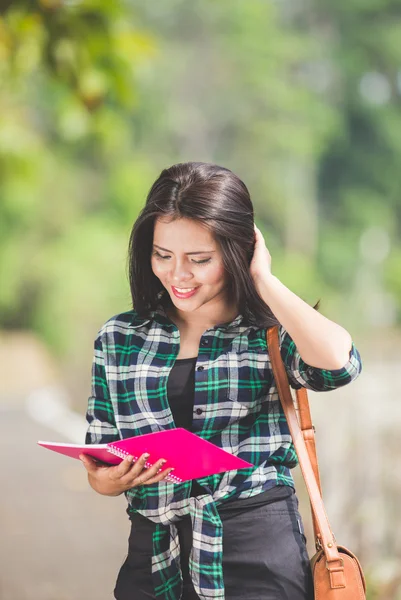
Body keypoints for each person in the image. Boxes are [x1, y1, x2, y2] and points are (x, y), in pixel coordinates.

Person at [80, 162, 362, 600]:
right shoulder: (120, 337)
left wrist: (264, 280)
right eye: (162, 255)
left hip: (256, 547)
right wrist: (109, 481)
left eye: (199, 259)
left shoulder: (269, 335)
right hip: (154, 553)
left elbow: (339, 364)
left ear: (236, 252)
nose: (178, 275)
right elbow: (99, 458)